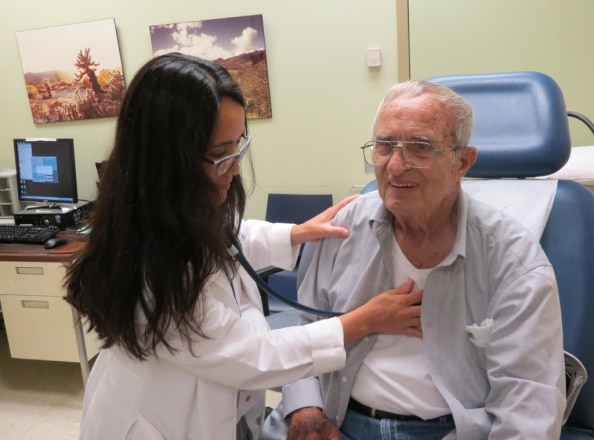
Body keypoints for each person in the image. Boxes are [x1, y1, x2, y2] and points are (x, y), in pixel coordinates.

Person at [64, 53, 425, 440]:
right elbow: (255, 357)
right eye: (220, 154)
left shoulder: (182, 211)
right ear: (167, 161)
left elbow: (232, 236)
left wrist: (294, 234)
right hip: (159, 421)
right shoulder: (151, 266)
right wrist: (364, 320)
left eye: (238, 146)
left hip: (221, 405)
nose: (235, 167)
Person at [261, 80, 566, 439]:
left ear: (462, 162)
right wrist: (305, 410)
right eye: (385, 145)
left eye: (420, 148)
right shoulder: (342, 230)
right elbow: (305, 331)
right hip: (337, 418)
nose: (395, 166)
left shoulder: (513, 260)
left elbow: (528, 403)